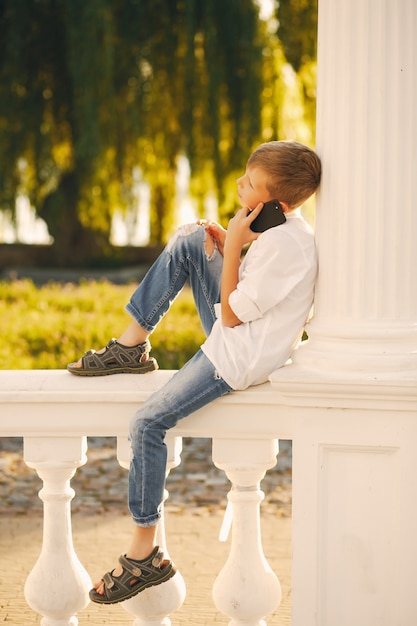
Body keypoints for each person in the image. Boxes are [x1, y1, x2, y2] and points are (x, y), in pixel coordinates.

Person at [67, 140, 321, 604]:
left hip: (235, 359)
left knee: (146, 423)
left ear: (271, 204)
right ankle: (131, 345)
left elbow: (229, 316)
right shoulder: (285, 236)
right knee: (190, 241)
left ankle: (144, 554)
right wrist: (232, 247)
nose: (239, 185)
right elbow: (246, 295)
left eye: (248, 183)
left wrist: (235, 246)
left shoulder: (285, 247)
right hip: (237, 334)